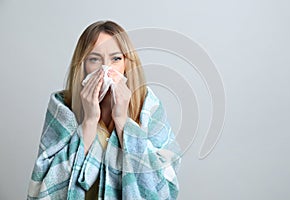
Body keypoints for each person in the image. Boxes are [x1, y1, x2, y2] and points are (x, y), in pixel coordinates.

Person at [27, 20, 181, 200]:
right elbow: (43, 186)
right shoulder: (63, 108)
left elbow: (164, 188)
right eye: (94, 59)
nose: (105, 69)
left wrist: (123, 121)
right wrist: (89, 122)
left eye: (116, 59)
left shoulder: (148, 107)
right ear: (82, 66)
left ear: (126, 64)